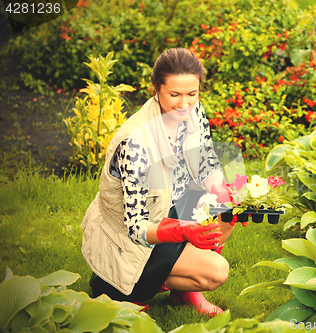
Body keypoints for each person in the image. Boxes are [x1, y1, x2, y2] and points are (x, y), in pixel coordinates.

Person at [81, 48, 235, 316]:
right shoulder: (136, 142)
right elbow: (136, 228)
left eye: (192, 94)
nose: (184, 104)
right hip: (132, 239)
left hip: (171, 209)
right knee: (217, 271)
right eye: (174, 94)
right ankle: (122, 290)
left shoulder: (192, 111)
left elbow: (206, 161)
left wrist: (220, 190)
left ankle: (184, 292)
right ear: (156, 88)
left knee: (226, 211)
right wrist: (183, 232)